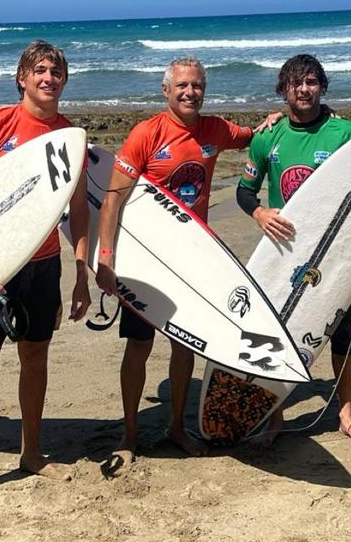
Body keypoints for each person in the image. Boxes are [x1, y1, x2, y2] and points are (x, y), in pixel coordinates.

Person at [0, 41, 91, 519]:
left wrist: (81, 275)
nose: (49, 78)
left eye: (57, 71)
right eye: (40, 71)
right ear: (22, 78)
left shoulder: (70, 136)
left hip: (44, 266)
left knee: (35, 358)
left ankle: (31, 453)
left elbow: (79, 209)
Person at [94, 57, 255, 465]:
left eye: (197, 86)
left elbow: (253, 136)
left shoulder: (216, 130)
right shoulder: (146, 134)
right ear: (166, 91)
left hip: (193, 256)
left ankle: (177, 427)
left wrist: (275, 123)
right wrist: (106, 257)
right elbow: (113, 198)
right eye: (182, 86)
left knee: (186, 346)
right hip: (149, 259)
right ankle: (130, 434)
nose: (190, 92)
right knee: (139, 344)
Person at [235, 54, 351, 447]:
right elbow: (243, 191)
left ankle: (346, 414)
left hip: (335, 252)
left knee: (340, 332)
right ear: (283, 88)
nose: (304, 89)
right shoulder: (268, 136)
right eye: (296, 82)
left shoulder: (344, 133)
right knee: (276, 332)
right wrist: (260, 213)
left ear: (323, 86)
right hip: (283, 253)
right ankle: (275, 416)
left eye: (312, 81)